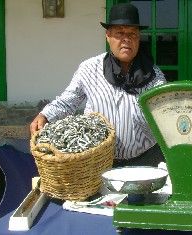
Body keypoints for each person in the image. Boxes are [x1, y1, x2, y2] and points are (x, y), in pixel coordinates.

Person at [30, 3, 166, 167]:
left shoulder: (153, 75)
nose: (126, 39)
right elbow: (68, 101)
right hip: (98, 161)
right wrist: (45, 115)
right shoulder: (89, 69)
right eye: (120, 33)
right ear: (108, 35)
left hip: (146, 159)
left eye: (132, 34)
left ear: (138, 38)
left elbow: (164, 114)